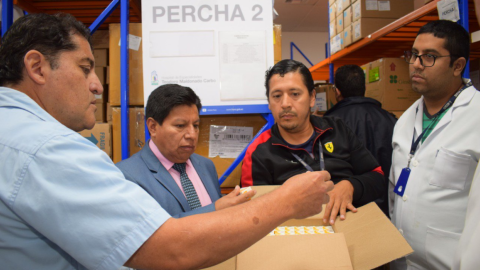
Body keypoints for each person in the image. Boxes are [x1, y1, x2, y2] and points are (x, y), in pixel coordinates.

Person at [0, 13, 335, 270]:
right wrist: (286, 202)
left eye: (195, 125)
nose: (97, 86)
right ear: (37, 68)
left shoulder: (16, 132)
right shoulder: (45, 148)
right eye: (85, 68)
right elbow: (170, 246)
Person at [241, 59, 385, 225]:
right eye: (277, 96)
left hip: (349, 228)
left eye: (295, 94)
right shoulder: (259, 152)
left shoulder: (337, 130)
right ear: (269, 103)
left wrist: (351, 186)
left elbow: (378, 177)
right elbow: (251, 214)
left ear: (311, 98)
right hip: (294, 239)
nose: (285, 104)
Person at [389, 20, 480, 270]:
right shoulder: (404, 120)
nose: (416, 64)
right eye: (414, 54)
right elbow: (395, 191)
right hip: (402, 260)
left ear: (457, 66)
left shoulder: (476, 117)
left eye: (429, 57)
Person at [117, 84, 251, 218]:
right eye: (180, 126)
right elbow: (151, 232)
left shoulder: (206, 166)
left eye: (196, 125)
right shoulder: (126, 176)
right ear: (153, 127)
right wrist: (215, 209)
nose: (192, 135)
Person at [324, 64, 397, 216]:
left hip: (348, 210)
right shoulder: (390, 119)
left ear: (337, 91)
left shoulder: (330, 125)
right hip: (387, 206)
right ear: (364, 87)